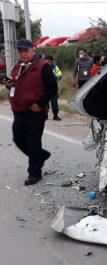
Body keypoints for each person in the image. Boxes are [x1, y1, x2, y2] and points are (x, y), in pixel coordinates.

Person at [3, 39, 58, 186]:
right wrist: (9, 85)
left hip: (35, 112)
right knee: (19, 139)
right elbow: (16, 84)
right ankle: (41, 156)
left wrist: (40, 104)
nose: (23, 53)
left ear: (32, 50)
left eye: (25, 50)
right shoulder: (17, 66)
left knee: (33, 142)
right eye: (20, 51)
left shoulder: (43, 67)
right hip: (18, 111)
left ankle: (34, 173)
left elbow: (53, 88)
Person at [45, 55, 63, 121]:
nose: (48, 63)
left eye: (49, 62)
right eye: (47, 61)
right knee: (45, 101)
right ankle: (45, 115)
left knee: (54, 101)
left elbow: (59, 75)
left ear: (52, 61)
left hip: (53, 87)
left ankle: (55, 115)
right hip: (44, 87)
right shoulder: (42, 67)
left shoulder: (55, 67)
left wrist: (56, 77)